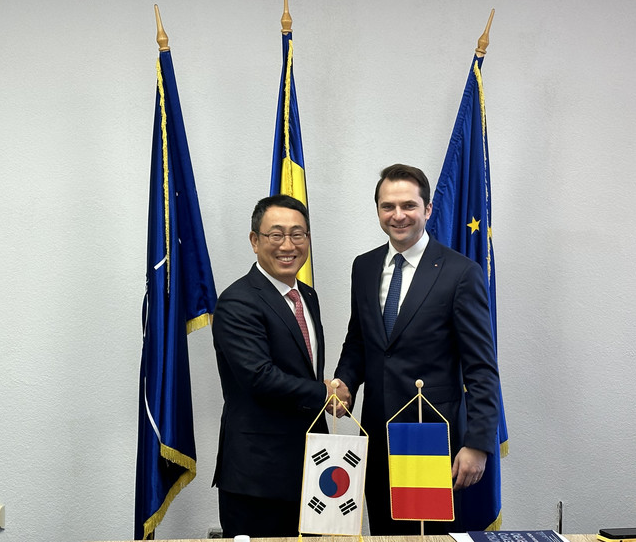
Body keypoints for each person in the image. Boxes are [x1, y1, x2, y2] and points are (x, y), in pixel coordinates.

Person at [334, 164, 501, 535]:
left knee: (429, 537)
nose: (398, 215)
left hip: (433, 439)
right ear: (378, 210)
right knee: (385, 534)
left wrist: (478, 444)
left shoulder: (460, 272)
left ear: (427, 209)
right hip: (376, 437)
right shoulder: (363, 267)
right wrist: (345, 380)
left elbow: (481, 368)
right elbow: (359, 340)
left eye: (408, 205)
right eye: (388, 206)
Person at [212, 194, 350, 537]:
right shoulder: (237, 301)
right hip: (258, 478)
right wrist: (324, 393)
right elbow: (259, 377)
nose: (288, 245)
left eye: (297, 234)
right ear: (254, 240)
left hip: (313, 470)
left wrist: (330, 391)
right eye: (276, 235)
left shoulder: (307, 296)